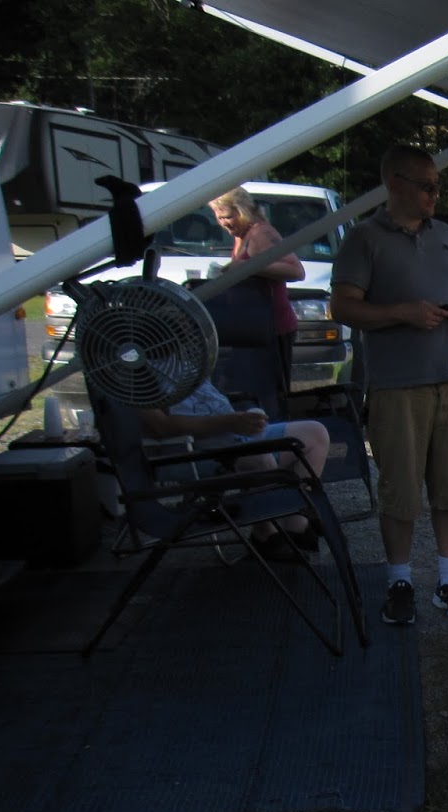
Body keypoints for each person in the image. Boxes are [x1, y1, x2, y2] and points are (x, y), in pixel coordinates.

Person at [330, 145, 448, 626]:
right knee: (400, 493)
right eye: (426, 186)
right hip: (396, 386)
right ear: (395, 183)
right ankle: (399, 581)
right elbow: (343, 308)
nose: (435, 196)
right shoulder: (363, 239)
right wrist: (403, 313)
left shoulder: (445, 234)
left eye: (437, 186)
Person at [138, 379, 331, 560]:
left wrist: (245, 421)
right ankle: (265, 535)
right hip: (187, 451)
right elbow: (159, 426)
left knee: (315, 434)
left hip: (232, 435)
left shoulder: (188, 354)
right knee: (258, 459)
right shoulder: (131, 363)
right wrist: (230, 422)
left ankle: (297, 525)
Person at [209, 187, 304, 394]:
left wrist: (248, 266)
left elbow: (296, 270)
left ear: (242, 211)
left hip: (273, 329)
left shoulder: (262, 232)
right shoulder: (241, 235)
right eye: (219, 218)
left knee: (270, 393)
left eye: (227, 217)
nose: (224, 223)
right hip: (251, 329)